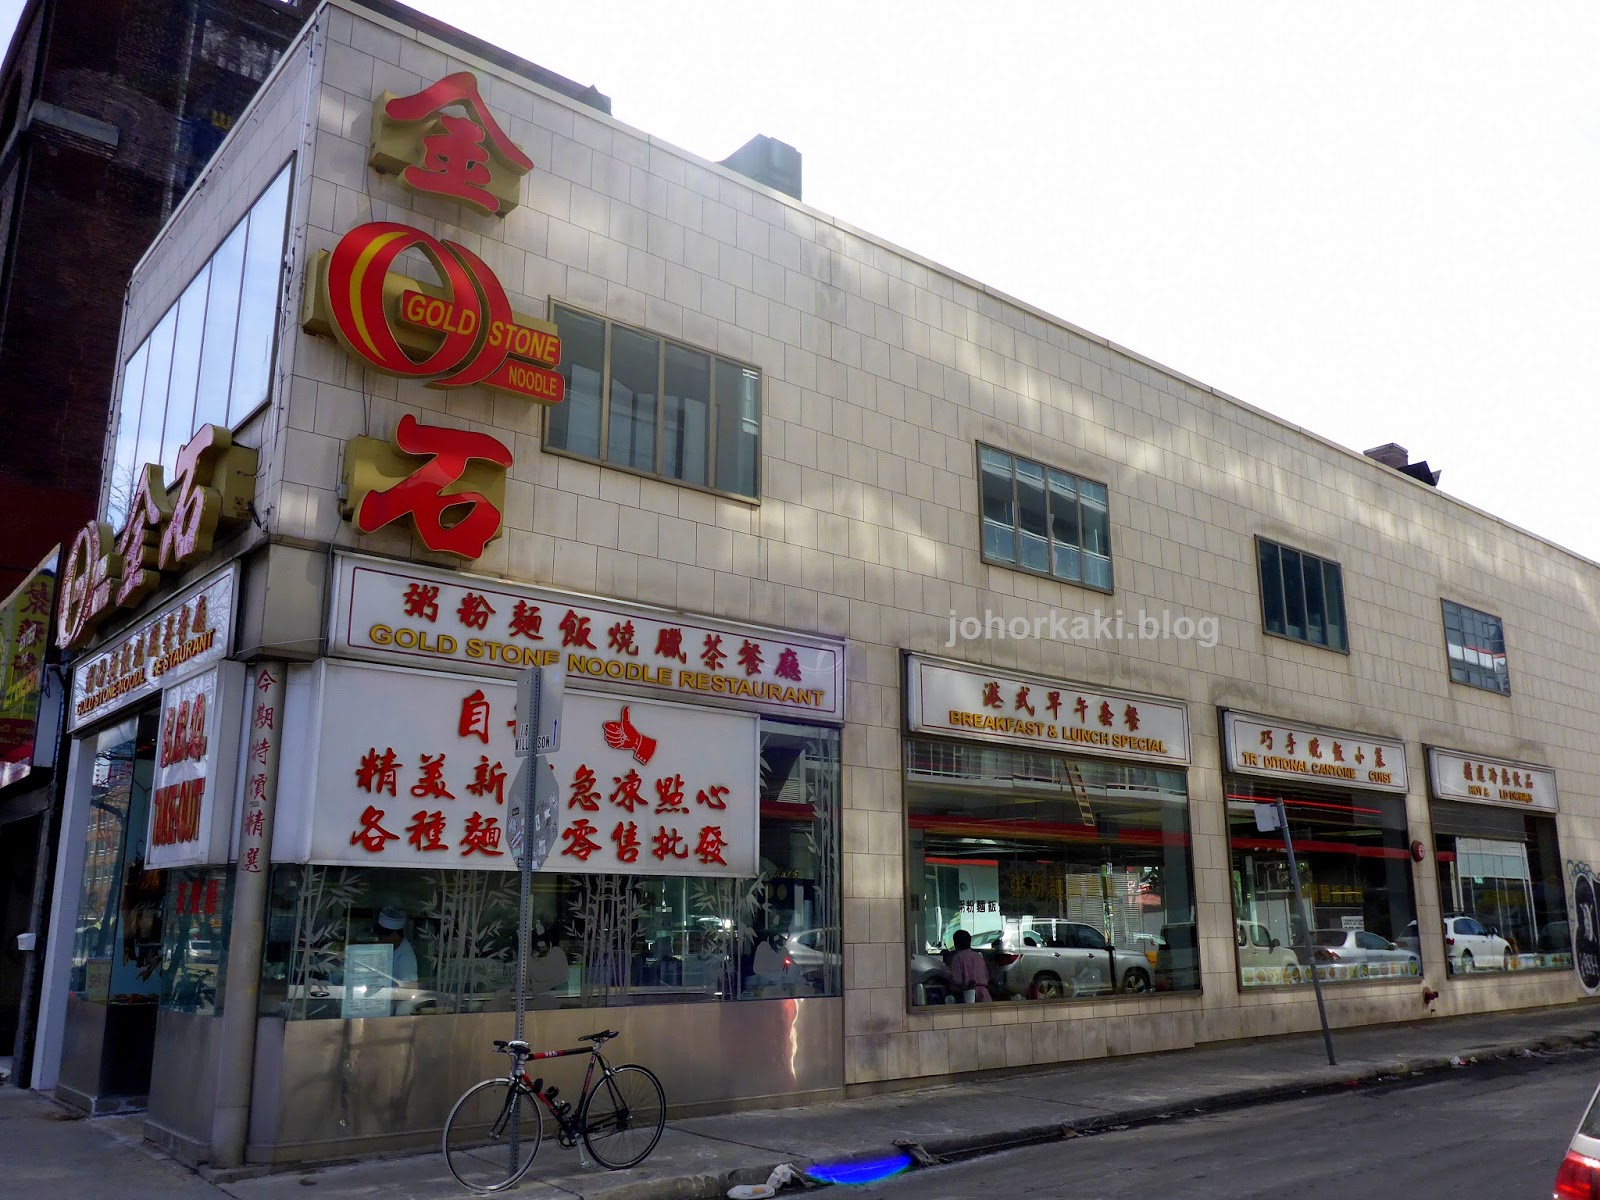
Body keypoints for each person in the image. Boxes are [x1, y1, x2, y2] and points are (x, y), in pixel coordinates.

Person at [377, 906, 418, 1013]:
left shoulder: (405, 956)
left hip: (401, 1008)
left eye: (384, 937)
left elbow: (410, 989)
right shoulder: (394, 949)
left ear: (394, 935)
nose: (382, 941)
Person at [946, 929, 991, 1002]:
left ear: (956, 943)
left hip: (968, 996)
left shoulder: (957, 957)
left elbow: (957, 980)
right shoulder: (978, 956)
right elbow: (987, 976)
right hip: (985, 995)